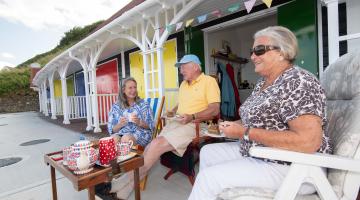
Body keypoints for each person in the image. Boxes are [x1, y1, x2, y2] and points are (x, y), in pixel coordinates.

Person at [188, 26, 332, 200]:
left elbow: (308, 141)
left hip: (294, 165)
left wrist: (245, 132)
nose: (252, 56)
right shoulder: (264, 82)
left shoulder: (299, 81)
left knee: (208, 178)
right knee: (208, 152)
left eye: (259, 50)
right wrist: (231, 126)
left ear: (282, 52)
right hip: (262, 151)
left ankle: (209, 190)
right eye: (252, 51)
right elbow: (253, 118)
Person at [110, 54, 220, 199]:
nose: (181, 71)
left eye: (183, 67)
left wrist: (192, 116)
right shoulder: (184, 84)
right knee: (150, 147)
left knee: (156, 145)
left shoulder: (209, 81)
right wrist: (173, 110)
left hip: (195, 124)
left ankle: (122, 183)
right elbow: (183, 103)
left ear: (194, 66)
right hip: (178, 122)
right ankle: (124, 186)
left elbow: (214, 109)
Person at [107, 77, 154, 148]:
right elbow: (112, 130)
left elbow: (151, 126)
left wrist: (139, 122)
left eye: (135, 87)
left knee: (126, 139)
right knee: (113, 139)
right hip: (121, 133)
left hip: (141, 133)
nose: (134, 90)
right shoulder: (116, 106)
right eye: (130, 88)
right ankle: (118, 159)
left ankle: (128, 159)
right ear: (123, 90)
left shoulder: (144, 105)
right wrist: (120, 124)